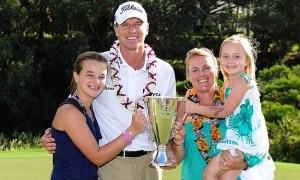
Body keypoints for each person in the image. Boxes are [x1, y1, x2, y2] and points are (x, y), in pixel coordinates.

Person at [41, 2, 177, 180]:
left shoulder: (165, 70)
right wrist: (53, 134)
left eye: (138, 24)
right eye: (125, 25)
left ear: (147, 28)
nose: (132, 30)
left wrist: (170, 146)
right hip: (110, 164)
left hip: (150, 164)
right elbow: (75, 107)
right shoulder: (100, 64)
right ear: (116, 29)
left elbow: (170, 119)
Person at [183, 34, 275, 180]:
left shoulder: (243, 81)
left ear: (246, 61)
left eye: (236, 56)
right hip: (237, 139)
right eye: (226, 56)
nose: (230, 61)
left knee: (208, 174)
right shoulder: (227, 84)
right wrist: (193, 94)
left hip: (244, 140)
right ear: (220, 60)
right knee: (225, 177)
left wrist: (194, 107)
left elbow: (224, 111)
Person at [50, 51, 147, 179]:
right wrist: (133, 130)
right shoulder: (70, 111)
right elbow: (98, 157)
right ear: (76, 76)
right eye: (90, 75)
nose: (96, 81)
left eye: (101, 77)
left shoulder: (90, 109)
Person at [172, 48, 249, 180]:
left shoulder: (232, 101)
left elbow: (254, 142)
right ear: (188, 75)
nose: (201, 74)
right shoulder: (181, 108)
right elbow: (177, 159)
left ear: (216, 70)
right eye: (194, 70)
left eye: (206, 68)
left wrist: (244, 163)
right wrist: (179, 141)